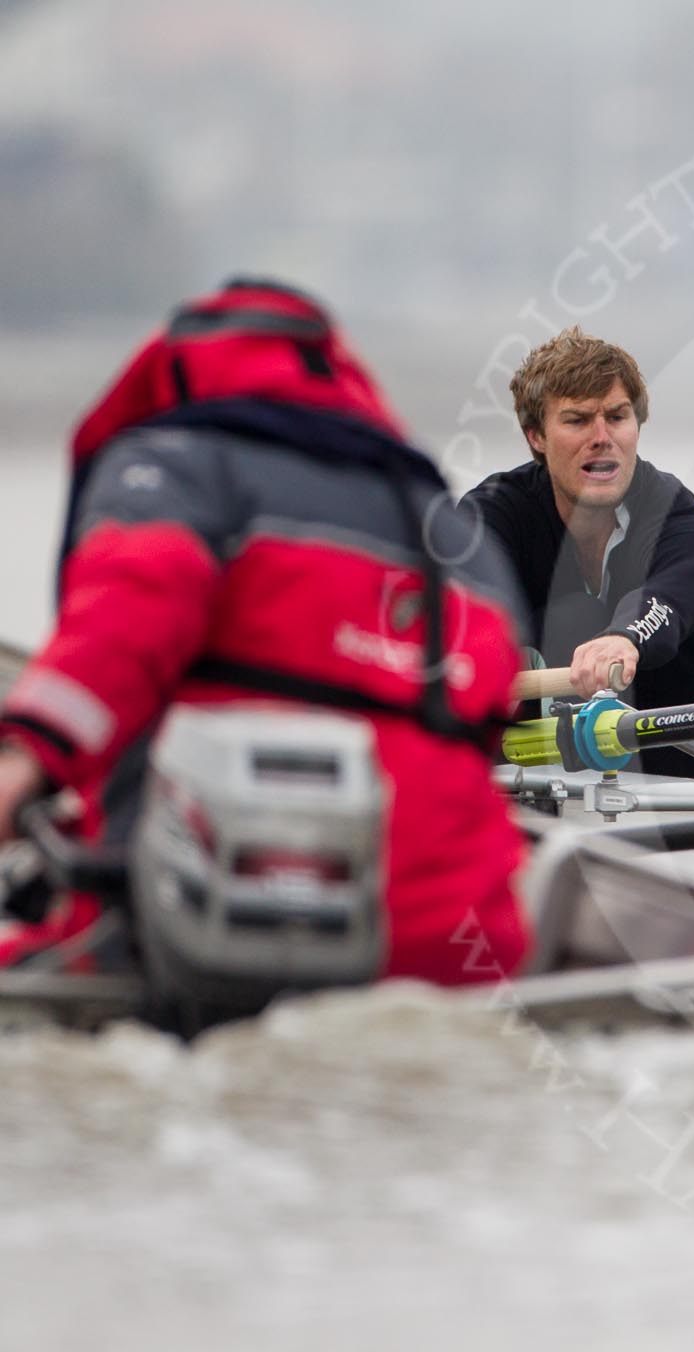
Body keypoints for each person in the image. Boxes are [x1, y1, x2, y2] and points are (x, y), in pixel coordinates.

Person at [0, 278, 529, 980]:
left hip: (200, 944)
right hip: (454, 952)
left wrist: (24, 761)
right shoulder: (454, 530)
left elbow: (121, 626)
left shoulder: (174, 467)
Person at [463, 328, 694, 774]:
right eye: (578, 420)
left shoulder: (687, 524)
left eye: (617, 417)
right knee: (562, 615)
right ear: (536, 436)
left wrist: (624, 638)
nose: (602, 436)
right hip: (554, 776)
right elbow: (460, 585)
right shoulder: (495, 513)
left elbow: (668, 599)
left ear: (636, 426)